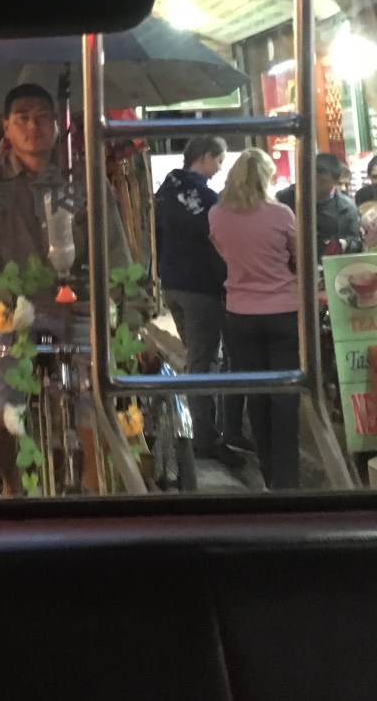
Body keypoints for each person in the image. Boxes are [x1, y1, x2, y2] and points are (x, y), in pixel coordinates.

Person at [0, 84, 130, 497]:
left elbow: (116, 256)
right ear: (6, 128)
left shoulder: (86, 181)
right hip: (13, 314)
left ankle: (92, 496)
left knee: (101, 408)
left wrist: (118, 319)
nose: (32, 126)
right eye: (22, 117)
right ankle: (12, 482)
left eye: (42, 117)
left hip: (83, 307)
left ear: (58, 124)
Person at [209, 148, 301, 490]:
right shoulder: (281, 214)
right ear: (266, 177)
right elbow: (300, 258)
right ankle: (288, 481)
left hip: (240, 314)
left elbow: (223, 253)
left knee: (257, 395)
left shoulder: (217, 215)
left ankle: (268, 473)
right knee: (286, 395)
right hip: (283, 312)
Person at [154, 137, 246, 467]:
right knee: (204, 362)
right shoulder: (206, 199)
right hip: (200, 287)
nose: (220, 168)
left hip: (173, 286)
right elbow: (221, 242)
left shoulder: (165, 191)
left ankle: (209, 431)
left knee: (197, 357)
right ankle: (207, 438)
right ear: (205, 157)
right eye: (219, 161)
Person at [276, 153, 362, 260]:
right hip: (293, 262)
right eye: (313, 178)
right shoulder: (287, 197)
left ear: (335, 181)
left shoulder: (346, 207)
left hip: (328, 263)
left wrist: (345, 244)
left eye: (322, 181)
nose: (315, 184)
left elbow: (356, 242)